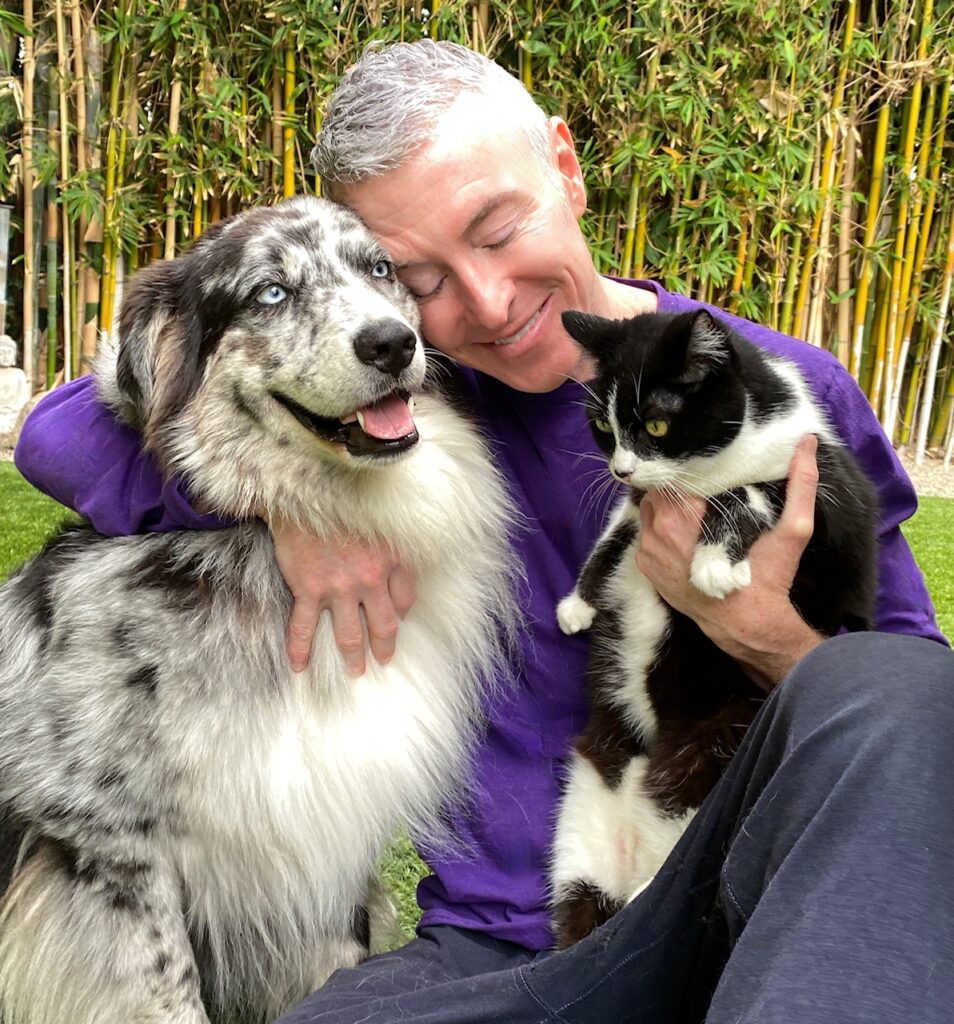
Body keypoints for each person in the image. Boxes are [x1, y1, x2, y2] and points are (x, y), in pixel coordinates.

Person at [13, 40, 954, 1024]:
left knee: (891, 692)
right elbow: (59, 432)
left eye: (499, 232)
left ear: (567, 168)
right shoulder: (410, 408)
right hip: (503, 954)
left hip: (752, 918)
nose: (490, 304)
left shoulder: (778, 387)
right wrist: (292, 510)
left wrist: (765, 635)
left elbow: (906, 713)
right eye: (420, 278)